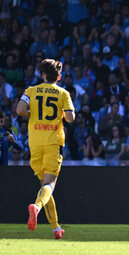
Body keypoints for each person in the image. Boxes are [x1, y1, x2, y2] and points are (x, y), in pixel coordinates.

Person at [16, 59, 75, 239]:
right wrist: (62, 114)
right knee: (50, 185)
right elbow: (70, 118)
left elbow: (19, 110)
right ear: (59, 76)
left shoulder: (30, 91)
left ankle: (56, 228)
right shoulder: (63, 93)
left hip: (35, 142)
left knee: (44, 187)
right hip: (52, 142)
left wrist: (33, 114)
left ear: (42, 75)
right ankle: (36, 207)